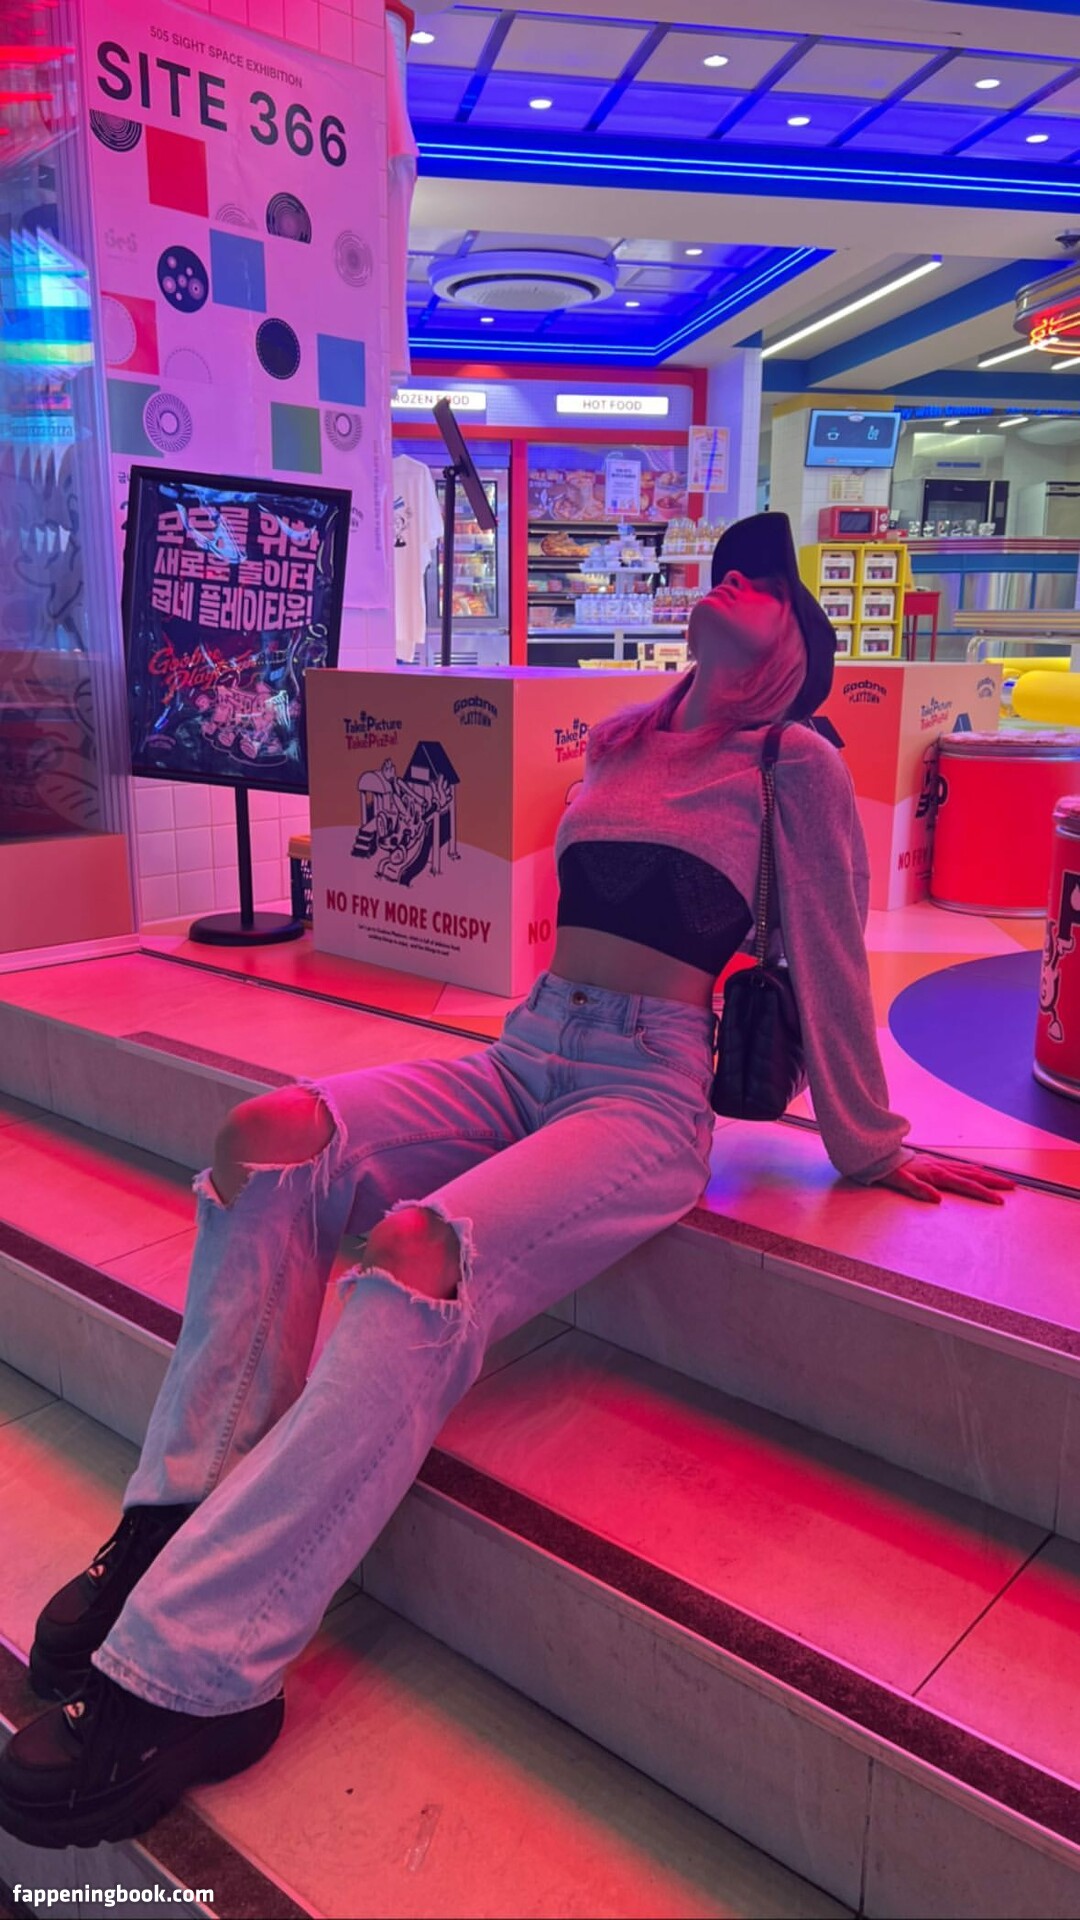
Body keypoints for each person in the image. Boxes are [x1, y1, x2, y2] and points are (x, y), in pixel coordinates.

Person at [0, 512, 1011, 1850]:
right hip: (526, 1048)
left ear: (793, 651)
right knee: (269, 1133)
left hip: (647, 1090)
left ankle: (198, 1670)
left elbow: (827, 950)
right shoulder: (624, 744)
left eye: (767, 582)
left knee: (422, 1258)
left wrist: (869, 1142)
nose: (735, 577)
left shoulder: (796, 760)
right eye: (729, 565)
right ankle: (174, 1520)